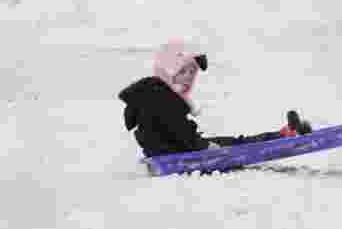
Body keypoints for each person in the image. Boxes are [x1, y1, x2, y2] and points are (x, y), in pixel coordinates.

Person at [119, 39, 313, 159]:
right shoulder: (159, 94)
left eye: (192, 72)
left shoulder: (150, 90)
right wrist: (204, 147)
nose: (189, 77)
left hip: (175, 149)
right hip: (178, 154)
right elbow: (172, 129)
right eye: (184, 71)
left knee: (237, 142)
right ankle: (285, 136)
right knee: (237, 145)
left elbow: (161, 129)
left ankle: (284, 134)